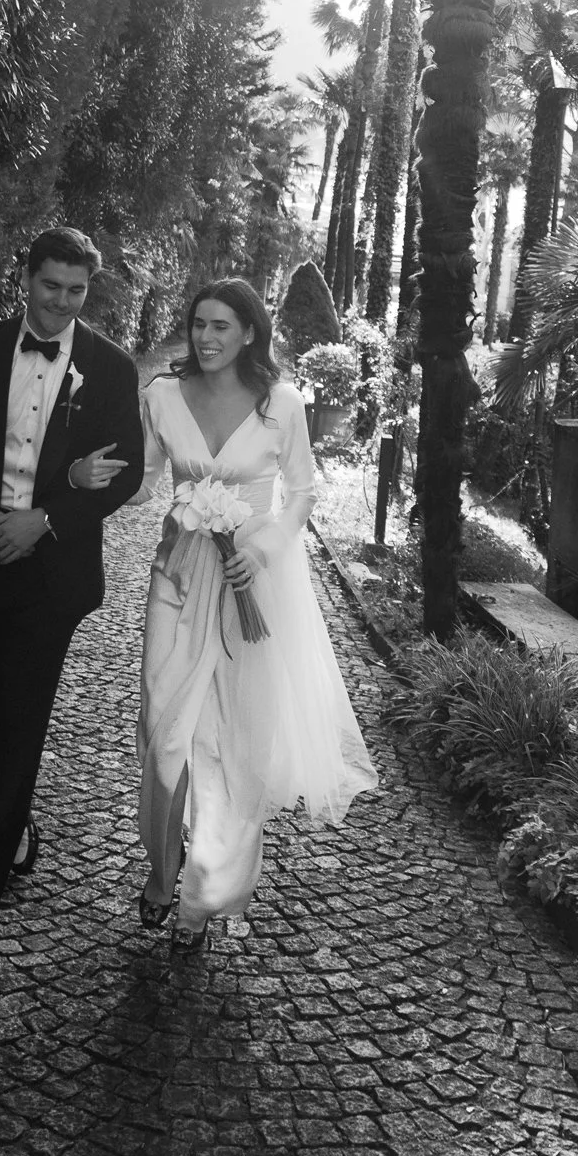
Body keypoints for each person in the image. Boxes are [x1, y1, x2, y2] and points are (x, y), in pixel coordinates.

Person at [0, 226, 144, 974]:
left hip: (53, 575)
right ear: (26, 278)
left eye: (76, 291)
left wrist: (44, 519)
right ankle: (13, 811)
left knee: (20, 727)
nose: (61, 303)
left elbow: (126, 472)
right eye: (51, 286)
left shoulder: (110, 367)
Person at [136, 278, 378, 951]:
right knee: (163, 734)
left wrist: (263, 551)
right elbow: (144, 482)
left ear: (249, 333)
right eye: (198, 324)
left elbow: (301, 494)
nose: (205, 337)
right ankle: (162, 864)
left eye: (221, 326)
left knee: (234, 743)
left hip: (251, 585)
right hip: (177, 578)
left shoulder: (282, 404)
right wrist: (85, 482)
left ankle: (201, 897)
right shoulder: (161, 396)